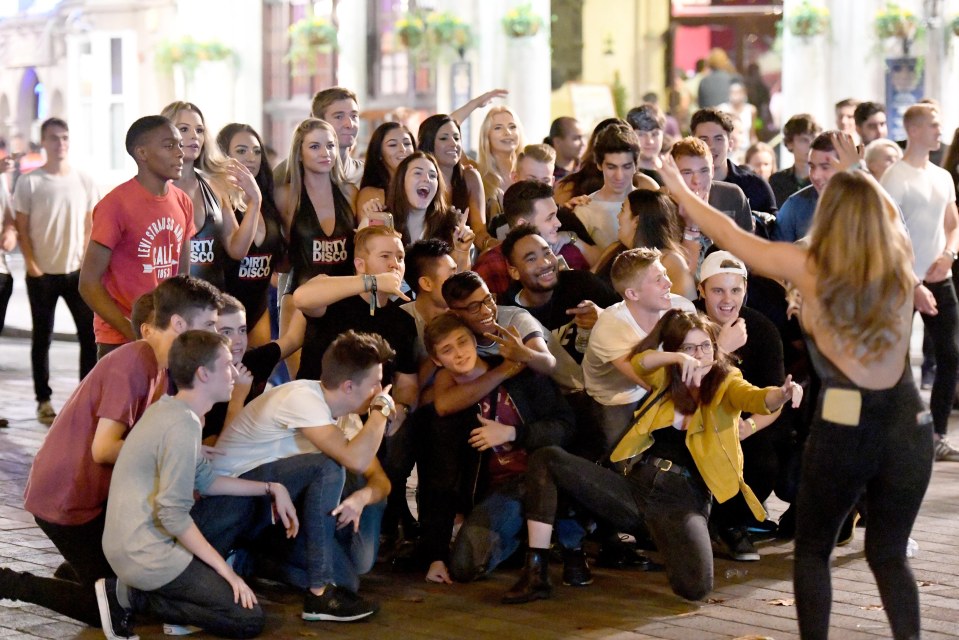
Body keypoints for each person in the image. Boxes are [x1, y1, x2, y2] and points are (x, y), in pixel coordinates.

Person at [658, 145, 932, 639]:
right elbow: (879, 208)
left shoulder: (809, 263)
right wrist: (855, 172)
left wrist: (680, 191)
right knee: (889, 555)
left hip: (848, 422)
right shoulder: (899, 256)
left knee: (812, 551)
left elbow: (733, 236)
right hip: (910, 423)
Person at [502, 309, 800, 604]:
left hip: (681, 499)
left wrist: (783, 394)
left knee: (694, 587)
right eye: (689, 347)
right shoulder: (667, 378)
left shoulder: (726, 381)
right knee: (547, 458)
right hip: (636, 486)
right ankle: (536, 571)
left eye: (705, 346)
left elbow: (758, 398)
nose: (698, 353)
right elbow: (639, 362)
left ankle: (664, 538)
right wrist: (675, 359)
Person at [8, 276, 221, 627]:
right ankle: (9, 582)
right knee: (109, 607)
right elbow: (105, 448)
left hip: (92, 497)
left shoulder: (160, 365)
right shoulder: (134, 362)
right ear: (180, 324)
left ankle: (79, 569)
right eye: (210, 325)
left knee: (128, 584)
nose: (218, 335)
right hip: (65, 499)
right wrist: (169, 457)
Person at [98, 330, 298, 640]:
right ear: (203, 373)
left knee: (243, 506)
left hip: (134, 546)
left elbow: (205, 480)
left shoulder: (175, 410)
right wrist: (226, 573)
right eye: (228, 364)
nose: (235, 372)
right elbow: (173, 515)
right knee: (247, 620)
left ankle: (136, 592)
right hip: (145, 555)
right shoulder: (183, 424)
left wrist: (272, 487)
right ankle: (129, 596)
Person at [196, 330, 396, 622]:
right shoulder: (303, 398)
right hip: (224, 507)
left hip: (265, 512)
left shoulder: (342, 413)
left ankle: (252, 560)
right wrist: (384, 408)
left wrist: (363, 496)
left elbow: (372, 471)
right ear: (350, 386)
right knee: (327, 466)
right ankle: (318, 595)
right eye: (375, 383)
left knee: (347, 583)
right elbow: (355, 459)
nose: (380, 389)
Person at [417, 312, 576, 585]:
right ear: (436, 360)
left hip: (544, 474)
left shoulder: (520, 374)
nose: (459, 354)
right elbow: (439, 481)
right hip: (501, 491)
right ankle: (526, 538)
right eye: (447, 350)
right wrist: (436, 555)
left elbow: (565, 425)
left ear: (475, 341)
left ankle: (555, 536)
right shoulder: (450, 406)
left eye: (463, 342)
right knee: (464, 565)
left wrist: (515, 433)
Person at [693, 250, 788, 562]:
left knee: (763, 462)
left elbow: (773, 399)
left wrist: (749, 427)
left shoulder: (762, 330)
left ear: (746, 290)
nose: (727, 300)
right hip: (691, 419)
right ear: (701, 290)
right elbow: (678, 385)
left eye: (735, 290)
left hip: (742, 423)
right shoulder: (685, 324)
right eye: (718, 290)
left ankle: (730, 524)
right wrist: (721, 347)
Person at [79, 115, 196, 359]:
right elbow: (88, 283)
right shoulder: (115, 205)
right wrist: (135, 333)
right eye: (169, 145)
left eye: (179, 145)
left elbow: (181, 279)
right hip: (120, 339)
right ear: (142, 153)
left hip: (166, 336)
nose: (180, 153)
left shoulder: (182, 201)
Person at [881, 103, 959, 463]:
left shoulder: (942, 176)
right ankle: (895, 435)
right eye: (933, 125)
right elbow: (887, 237)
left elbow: (952, 222)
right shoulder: (894, 178)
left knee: (951, 355)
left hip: (940, 278)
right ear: (913, 130)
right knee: (895, 362)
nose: (939, 131)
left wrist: (948, 255)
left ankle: (937, 433)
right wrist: (913, 283)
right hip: (902, 283)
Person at [12, 117, 98, 425]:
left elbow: (91, 225)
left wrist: (88, 263)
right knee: (42, 337)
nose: (60, 143)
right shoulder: (30, 182)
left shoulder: (84, 181)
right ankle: (43, 400)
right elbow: (21, 228)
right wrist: (32, 265)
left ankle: (85, 397)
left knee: (89, 336)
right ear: (43, 142)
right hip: (42, 273)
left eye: (64, 137)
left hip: (76, 272)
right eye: (53, 138)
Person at [583, 248, 695, 450]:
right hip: (616, 397)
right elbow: (651, 383)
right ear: (632, 294)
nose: (669, 283)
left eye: (665, 274)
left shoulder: (681, 308)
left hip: (664, 381)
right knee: (626, 457)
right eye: (658, 279)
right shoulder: (611, 328)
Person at [276, 118, 358, 378]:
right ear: (299, 153)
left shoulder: (350, 192)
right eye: (315, 147)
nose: (325, 153)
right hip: (300, 298)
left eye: (330, 146)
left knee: (345, 381)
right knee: (302, 382)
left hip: (345, 299)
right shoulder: (286, 196)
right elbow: (281, 254)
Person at [161, 102, 262, 292]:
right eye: (184, 129)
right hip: (169, 301)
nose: (194, 136)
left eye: (199, 130)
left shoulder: (215, 185)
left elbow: (237, 249)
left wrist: (255, 201)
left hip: (211, 303)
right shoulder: (156, 187)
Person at [216, 123, 287, 348]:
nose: (251, 157)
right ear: (223, 155)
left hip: (258, 307)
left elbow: (280, 263)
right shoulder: (219, 199)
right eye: (241, 151)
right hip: (222, 308)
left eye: (256, 151)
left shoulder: (269, 200)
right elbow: (236, 251)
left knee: (257, 379)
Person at [202, 293, 302, 442]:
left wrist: (302, 294)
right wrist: (237, 399)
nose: (238, 340)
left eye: (242, 330)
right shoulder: (200, 384)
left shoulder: (251, 360)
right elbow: (216, 458)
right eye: (227, 332)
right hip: (232, 459)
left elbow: (293, 339)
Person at [475, 181, 591, 297]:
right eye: (549, 218)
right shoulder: (491, 265)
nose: (559, 223)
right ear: (522, 225)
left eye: (556, 215)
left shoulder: (564, 249)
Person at [593, 189, 695, 300]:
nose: (618, 216)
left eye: (622, 210)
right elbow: (590, 280)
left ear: (636, 221)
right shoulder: (614, 250)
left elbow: (685, 308)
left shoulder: (669, 261)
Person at [381, 151, 474, 271]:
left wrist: (462, 250)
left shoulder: (451, 224)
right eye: (418, 173)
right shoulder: (382, 221)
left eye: (432, 176)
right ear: (401, 181)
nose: (426, 179)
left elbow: (460, 283)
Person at [416, 114, 491, 253]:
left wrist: (494, 244)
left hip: (465, 255)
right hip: (426, 256)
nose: (453, 144)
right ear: (429, 144)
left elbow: (480, 231)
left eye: (457, 138)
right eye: (444, 138)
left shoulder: (470, 177)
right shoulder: (417, 182)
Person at [573, 124, 648, 249]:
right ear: (599, 165)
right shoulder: (585, 211)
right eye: (611, 167)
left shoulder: (649, 204)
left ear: (636, 165)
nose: (619, 176)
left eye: (626, 166)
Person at [773, 131, 856, 243]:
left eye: (825, 167)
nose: (815, 176)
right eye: (812, 166)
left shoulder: (866, 203)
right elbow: (777, 256)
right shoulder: (795, 206)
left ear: (847, 167)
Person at [691, 108, 777, 215]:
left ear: (730, 144)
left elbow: (773, 226)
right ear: (692, 143)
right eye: (704, 139)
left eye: (718, 139)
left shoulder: (754, 185)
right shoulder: (684, 184)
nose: (711, 146)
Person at [356, 122, 415, 218]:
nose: (403, 149)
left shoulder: (425, 186)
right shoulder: (371, 194)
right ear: (379, 153)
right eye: (392, 145)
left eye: (407, 143)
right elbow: (370, 232)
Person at [477, 105, 525, 209]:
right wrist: (476, 103)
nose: (507, 132)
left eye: (512, 126)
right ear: (487, 136)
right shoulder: (478, 176)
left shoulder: (531, 172)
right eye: (498, 128)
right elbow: (447, 126)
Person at [768, 114, 821, 207]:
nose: (811, 145)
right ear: (790, 143)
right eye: (804, 140)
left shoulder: (825, 179)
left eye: (815, 139)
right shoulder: (778, 181)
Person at [626, 103, 667, 185]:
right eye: (641, 134)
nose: (649, 141)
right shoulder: (625, 176)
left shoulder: (671, 170)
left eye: (655, 134)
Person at [544, 116, 585, 181]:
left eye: (583, 137)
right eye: (576, 138)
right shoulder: (544, 173)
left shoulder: (586, 169)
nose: (583, 144)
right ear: (557, 141)